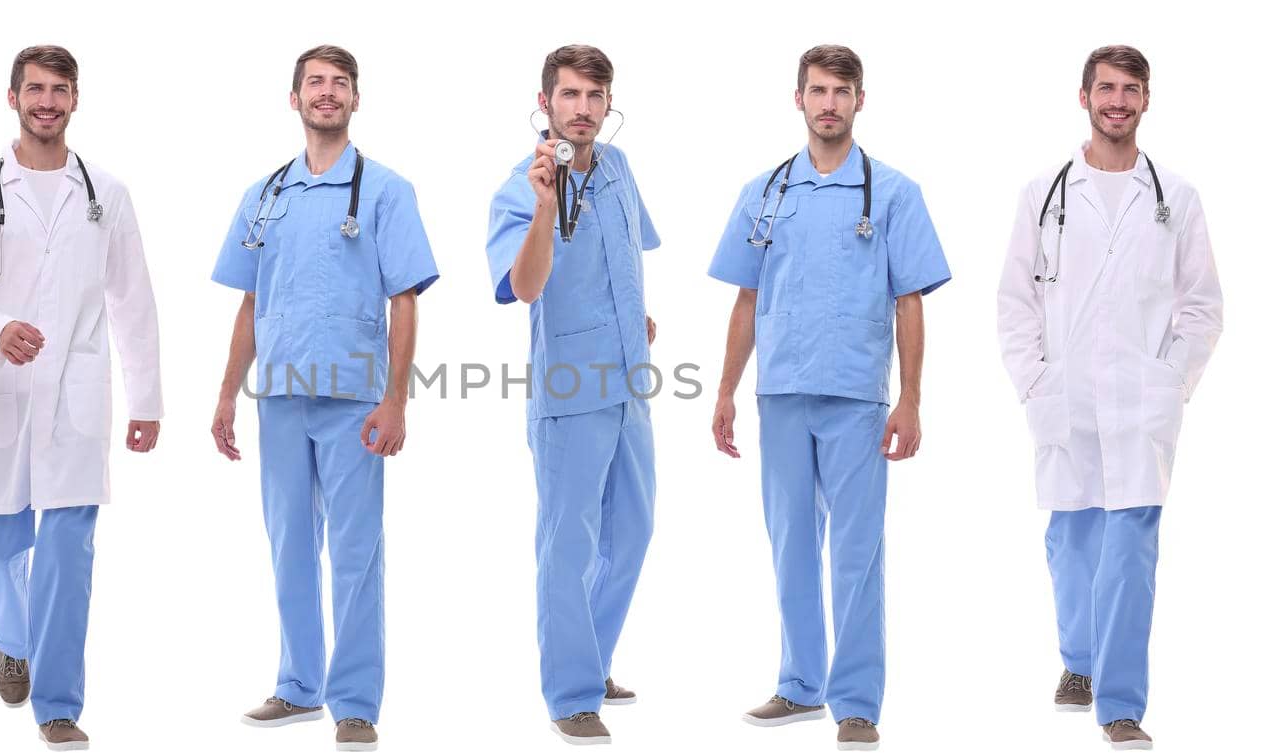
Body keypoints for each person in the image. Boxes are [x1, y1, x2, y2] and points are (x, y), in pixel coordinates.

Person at [708, 44, 950, 752]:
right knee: (789, 546)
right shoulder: (767, 190)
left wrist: (911, 398)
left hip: (855, 397)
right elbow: (747, 299)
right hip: (780, 390)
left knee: (855, 553)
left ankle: (855, 702)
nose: (829, 104)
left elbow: (910, 301)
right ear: (799, 99)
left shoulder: (894, 193)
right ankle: (799, 683)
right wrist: (724, 389)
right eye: (817, 90)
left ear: (859, 100)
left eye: (841, 91)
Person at [0, 44, 163, 752]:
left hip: (77, 394)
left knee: (67, 554)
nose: (47, 101)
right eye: (35, 89)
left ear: (75, 99)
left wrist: (146, 397)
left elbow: (133, 299)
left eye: (60, 89)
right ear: (13, 98)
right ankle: (13, 639)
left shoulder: (106, 194)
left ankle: (58, 705)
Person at [210, 44, 438, 753]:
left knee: (355, 552)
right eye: (315, 82)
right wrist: (225, 397)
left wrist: (396, 400)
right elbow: (251, 303)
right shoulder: (266, 193)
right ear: (295, 98)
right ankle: (298, 683)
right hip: (277, 394)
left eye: (340, 83)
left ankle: (356, 702)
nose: (327, 92)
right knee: (288, 547)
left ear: (355, 99)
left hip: (353, 401)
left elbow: (405, 300)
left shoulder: (386, 190)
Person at [996, 45, 1223, 752]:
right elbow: (1014, 299)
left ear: (1147, 99)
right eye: (1106, 88)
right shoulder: (1045, 191)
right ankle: (1079, 660)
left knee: (1129, 555)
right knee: (1071, 544)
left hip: (1140, 406)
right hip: (1065, 396)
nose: (1117, 101)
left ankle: (1119, 703)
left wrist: (1171, 384)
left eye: (1130, 89)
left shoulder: (1176, 197)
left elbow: (1203, 307)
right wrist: (1035, 381)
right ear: (1084, 96)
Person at [484, 44, 659, 747]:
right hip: (569, 391)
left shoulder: (618, 169)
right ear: (546, 101)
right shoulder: (519, 188)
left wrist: (635, 314)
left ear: (607, 104)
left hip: (629, 382)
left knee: (633, 531)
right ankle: (570, 692)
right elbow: (524, 286)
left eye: (594, 96)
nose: (582, 109)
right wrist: (542, 207)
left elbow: (626, 255)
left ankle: (593, 659)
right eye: (570, 95)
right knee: (567, 544)